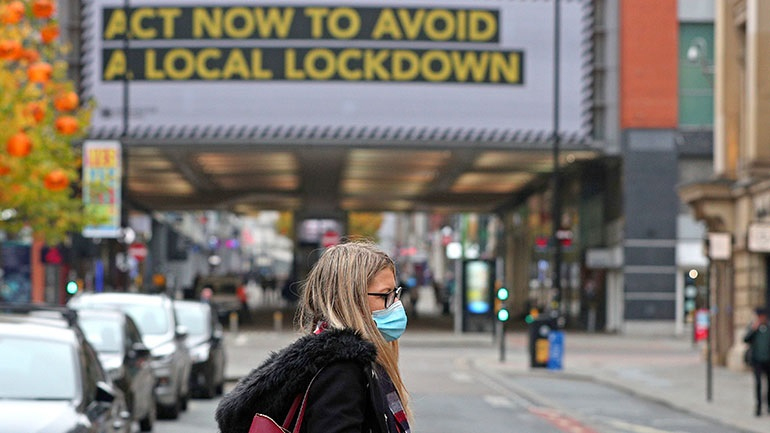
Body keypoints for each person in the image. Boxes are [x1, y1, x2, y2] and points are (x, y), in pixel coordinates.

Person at [215, 241, 411, 433]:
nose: (395, 303)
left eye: (396, 293)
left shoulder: (331, 360)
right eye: (385, 295)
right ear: (351, 299)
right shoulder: (342, 370)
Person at [744, 307, 770, 416]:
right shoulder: (754, 328)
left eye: (762, 317)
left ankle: (768, 406)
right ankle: (758, 407)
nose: (761, 318)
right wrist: (753, 329)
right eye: (759, 317)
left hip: (768, 361)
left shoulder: (768, 328)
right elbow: (745, 339)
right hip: (757, 361)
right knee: (758, 384)